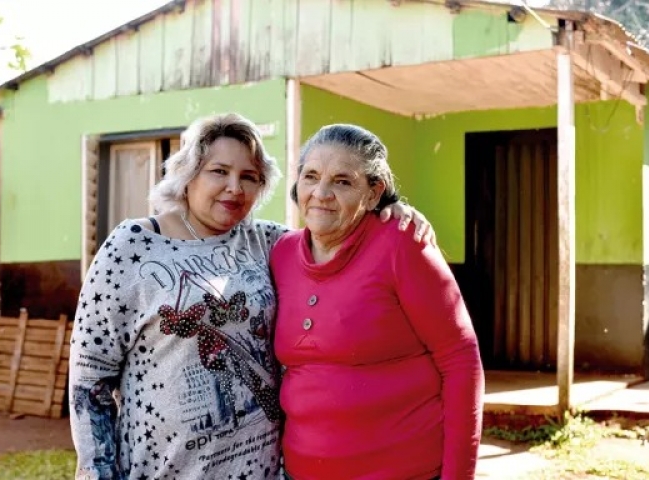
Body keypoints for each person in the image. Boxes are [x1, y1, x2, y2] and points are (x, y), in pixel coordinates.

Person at [69, 113, 434, 480]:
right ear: (188, 173)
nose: (234, 188)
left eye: (249, 177)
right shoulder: (133, 245)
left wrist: (389, 209)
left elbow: (339, 229)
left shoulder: (271, 242)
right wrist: (97, 472)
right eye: (219, 171)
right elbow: (91, 377)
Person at [271, 124, 484, 480]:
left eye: (342, 181)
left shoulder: (402, 244)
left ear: (373, 194)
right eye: (310, 176)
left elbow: (461, 359)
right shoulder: (280, 253)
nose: (321, 193)